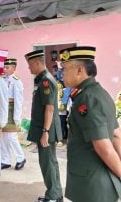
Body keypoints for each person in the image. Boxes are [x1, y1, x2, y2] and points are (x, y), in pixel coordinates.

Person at [59, 46, 121, 202]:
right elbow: (116, 135)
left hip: (92, 185)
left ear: (80, 70)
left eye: (65, 69)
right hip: (100, 182)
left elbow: (104, 148)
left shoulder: (87, 99)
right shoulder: (100, 93)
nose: (62, 73)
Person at [24, 50, 63, 202]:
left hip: (46, 130)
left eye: (30, 65)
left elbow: (49, 108)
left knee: (47, 163)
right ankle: (56, 194)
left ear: (37, 63)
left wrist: (45, 131)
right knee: (51, 162)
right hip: (46, 129)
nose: (29, 68)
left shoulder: (46, 81)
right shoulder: (43, 80)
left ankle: (52, 196)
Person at [0, 58, 26, 170]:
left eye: (7, 67)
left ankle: (20, 158)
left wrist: (17, 116)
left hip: (11, 110)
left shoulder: (16, 81)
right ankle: (5, 160)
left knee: (11, 137)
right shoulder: (1, 79)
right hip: (3, 110)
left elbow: (18, 101)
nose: (5, 69)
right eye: (4, 67)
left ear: (14, 68)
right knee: (3, 137)